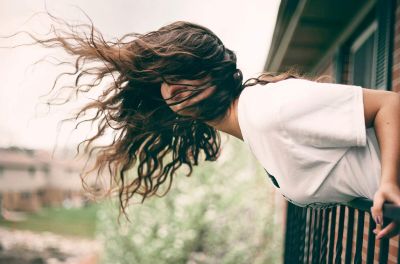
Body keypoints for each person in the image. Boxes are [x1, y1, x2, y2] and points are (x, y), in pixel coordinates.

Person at [11, 16, 400, 239]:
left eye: (181, 75)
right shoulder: (253, 121)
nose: (170, 89)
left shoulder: (268, 108)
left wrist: (387, 182)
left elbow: (390, 104)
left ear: (217, 73)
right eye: (164, 81)